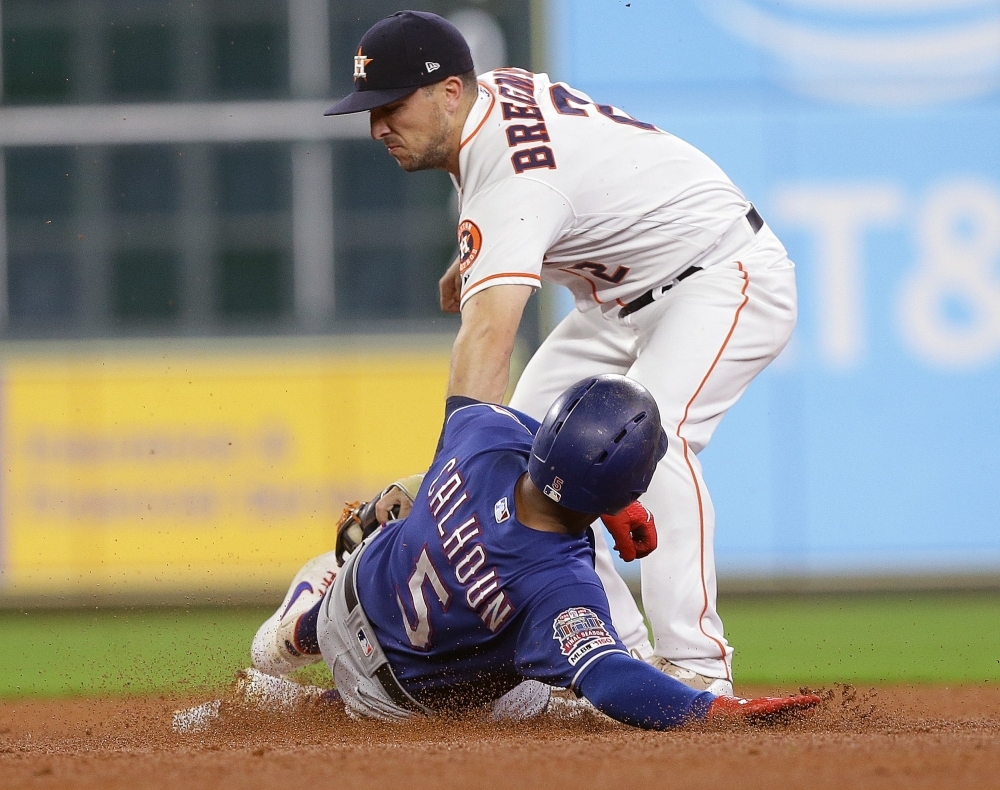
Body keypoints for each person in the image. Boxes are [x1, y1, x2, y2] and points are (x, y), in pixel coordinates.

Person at [324, 11, 799, 696]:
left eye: (391, 106)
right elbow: (546, 182)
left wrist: (440, 492)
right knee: (534, 469)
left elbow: (487, 337)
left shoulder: (512, 180)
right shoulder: (491, 103)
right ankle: (626, 658)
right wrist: (475, 258)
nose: (376, 128)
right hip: (617, 297)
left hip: (722, 275)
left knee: (652, 445)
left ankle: (697, 667)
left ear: (451, 92)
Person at [250, 375, 819, 727]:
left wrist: (602, 497)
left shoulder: (480, 430)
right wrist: (708, 710)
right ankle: (309, 705)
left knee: (384, 525)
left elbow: (519, 429)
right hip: (394, 705)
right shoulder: (559, 585)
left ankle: (293, 632)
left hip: (346, 596)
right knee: (565, 704)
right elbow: (610, 677)